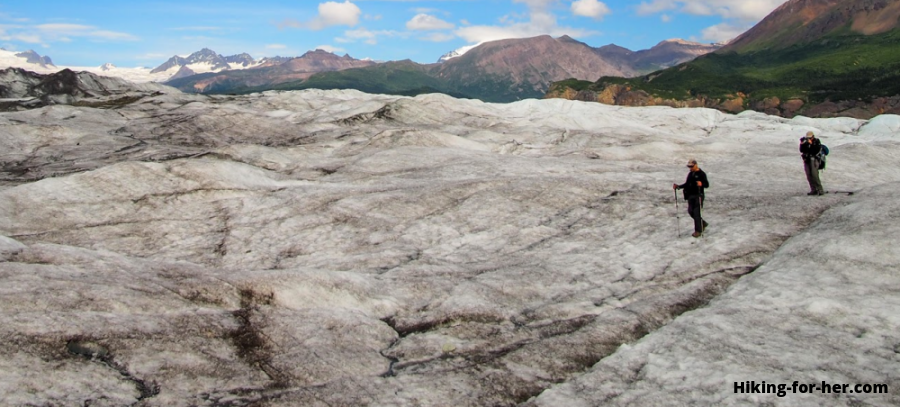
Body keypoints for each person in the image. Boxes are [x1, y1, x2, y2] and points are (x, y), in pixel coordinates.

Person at [673, 159, 709, 238]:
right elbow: (687, 184)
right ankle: (702, 223)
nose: (690, 168)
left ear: (696, 165)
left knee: (696, 213)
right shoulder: (690, 174)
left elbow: (706, 184)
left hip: (698, 195)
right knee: (690, 211)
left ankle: (698, 231)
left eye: (691, 166)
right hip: (690, 196)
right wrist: (678, 187)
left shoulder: (701, 174)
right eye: (689, 166)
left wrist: (701, 184)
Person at [800, 131, 825, 195]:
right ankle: (813, 189)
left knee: (814, 175)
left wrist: (811, 144)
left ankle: (820, 189)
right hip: (807, 160)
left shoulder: (816, 141)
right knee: (809, 175)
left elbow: (815, 150)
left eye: (810, 138)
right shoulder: (805, 142)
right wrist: (802, 144)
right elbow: (802, 150)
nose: (809, 139)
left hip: (814, 160)